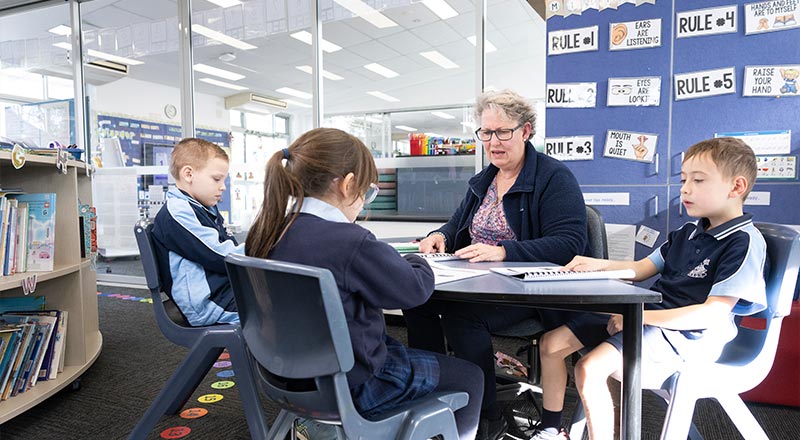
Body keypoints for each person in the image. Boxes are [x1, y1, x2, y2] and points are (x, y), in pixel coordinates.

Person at [245, 127, 484, 440]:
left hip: (285, 377)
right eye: (368, 192)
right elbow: (413, 290)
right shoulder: (348, 242)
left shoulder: (267, 232)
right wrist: (417, 259)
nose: (365, 203)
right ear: (348, 185)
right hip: (358, 384)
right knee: (470, 377)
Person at [533, 137, 767, 440]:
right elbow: (643, 268)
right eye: (684, 180)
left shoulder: (743, 242)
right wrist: (593, 263)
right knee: (552, 344)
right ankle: (552, 428)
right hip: (654, 318)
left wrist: (638, 318)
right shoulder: (687, 232)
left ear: (736, 187)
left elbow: (711, 315)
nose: (685, 189)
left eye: (698, 180)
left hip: (691, 337)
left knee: (589, 369)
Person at [402, 89, 587, 440]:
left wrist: (504, 251)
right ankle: (432, 392)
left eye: (503, 132)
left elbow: (569, 244)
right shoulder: (484, 181)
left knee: (462, 315)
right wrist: (438, 235)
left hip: (527, 291)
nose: (493, 142)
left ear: (526, 131)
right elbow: (456, 226)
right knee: (416, 297)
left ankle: (486, 417)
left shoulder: (553, 178)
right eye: (486, 133)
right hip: (478, 284)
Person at [151, 137, 241, 327]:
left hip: (220, 291)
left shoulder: (203, 207)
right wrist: (260, 247)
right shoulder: (178, 212)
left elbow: (228, 245)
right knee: (274, 310)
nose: (223, 186)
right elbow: (220, 256)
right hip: (207, 304)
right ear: (189, 174)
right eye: (217, 179)